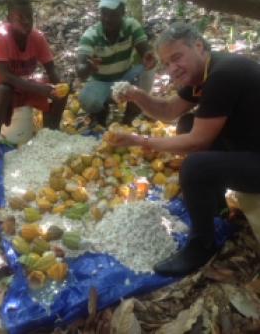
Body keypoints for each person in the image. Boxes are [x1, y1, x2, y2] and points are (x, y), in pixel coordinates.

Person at [108, 22, 260, 276]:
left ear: (199, 46)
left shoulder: (223, 75)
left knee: (194, 166)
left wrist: (139, 140)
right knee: (186, 122)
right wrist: (137, 95)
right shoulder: (206, 71)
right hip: (249, 143)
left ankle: (202, 244)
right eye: (166, 63)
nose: (172, 69)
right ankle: (216, 206)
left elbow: (196, 142)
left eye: (176, 57)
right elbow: (168, 111)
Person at [0, 0, 66, 174]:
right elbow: (4, 76)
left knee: (61, 89)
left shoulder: (37, 37)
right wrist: (39, 89)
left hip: (25, 86)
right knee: (5, 89)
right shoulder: (0, 36)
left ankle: (50, 135)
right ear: (9, 19)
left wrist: (59, 90)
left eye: (29, 17)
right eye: (20, 18)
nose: (27, 22)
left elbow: (51, 69)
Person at [76, 0, 156, 127]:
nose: (107, 18)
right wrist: (88, 67)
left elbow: (145, 52)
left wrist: (149, 55)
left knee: (148, 70)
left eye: (112, 14)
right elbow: (80, 70)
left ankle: (130, 116)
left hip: (124, 78)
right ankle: (101, 115)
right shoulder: (91, 35)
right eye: (104, 13)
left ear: (122, 12)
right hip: (101, 83)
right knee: (87, 100)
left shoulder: (131, 26)